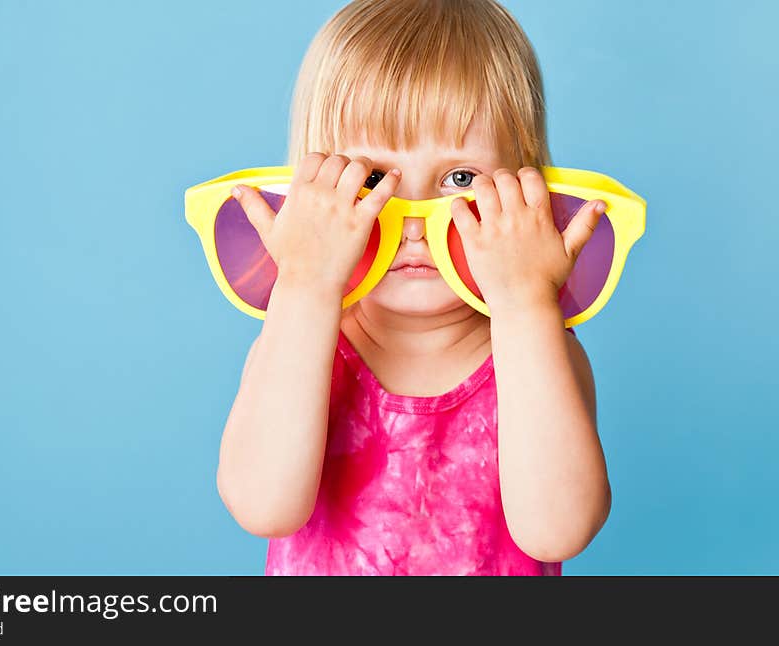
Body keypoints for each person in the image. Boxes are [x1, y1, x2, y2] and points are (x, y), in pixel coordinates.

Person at [216, 0, 611, 575]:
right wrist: (305, 285)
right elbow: (262, 506)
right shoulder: (301, 342)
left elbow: (558, 531)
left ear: (523, 189)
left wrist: (526, 305)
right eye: (373, 178)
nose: (417, 223)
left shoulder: (539, 347)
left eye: (459, 178)